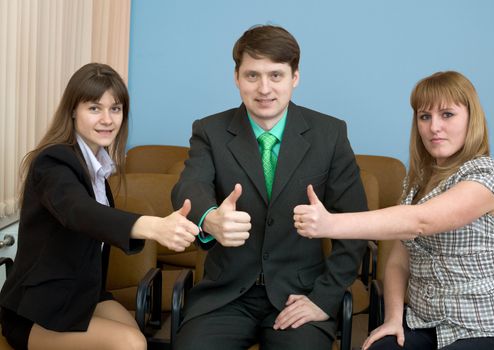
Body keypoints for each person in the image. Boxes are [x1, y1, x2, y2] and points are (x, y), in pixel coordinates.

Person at [171, 25, 368, 349]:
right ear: (236, 77)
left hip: (300, 294)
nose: (264, 88)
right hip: (225, 297)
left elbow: (355, 222)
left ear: (295, 77)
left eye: (276, 75)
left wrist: (323, 298)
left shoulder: (329, 134)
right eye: (252, 76)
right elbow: (188, 185)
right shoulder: (210, 130)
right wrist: (209, 218)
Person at [294, 71, 494, 350]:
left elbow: (421, 222)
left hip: (482, 329)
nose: (434, 127)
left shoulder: (487, 174)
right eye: (425, 117)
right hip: (424, 324)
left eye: (447, 114)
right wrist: (392, 319)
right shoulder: (415, 182)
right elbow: (399, 261)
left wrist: (330, 225)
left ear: (471, 118)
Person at [0, 63, 199, 350]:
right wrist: (153, 226)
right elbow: (78, 211)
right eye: (95, 108)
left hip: (83, 295)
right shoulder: (53, 162)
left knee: (137, 335)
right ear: (72, 111)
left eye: (115, 109)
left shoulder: (98, 172)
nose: (107, 119)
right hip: (36, 310)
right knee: (130, 343)